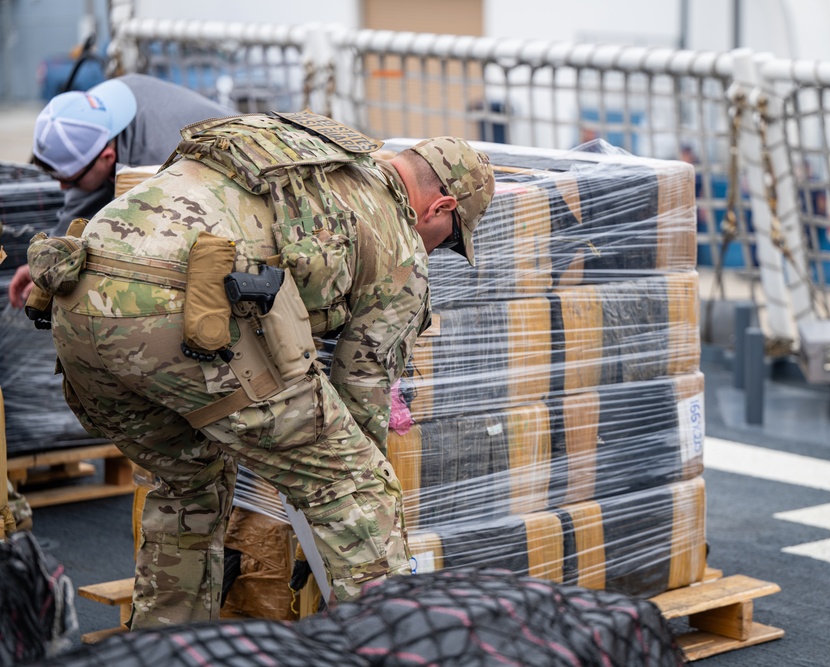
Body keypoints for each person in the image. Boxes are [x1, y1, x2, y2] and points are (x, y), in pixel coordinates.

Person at [27, 111, 494, 628]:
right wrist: (337, 481)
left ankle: (163, 649)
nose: (439, 250)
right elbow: (363, 392)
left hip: (72, 299)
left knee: (188, 485)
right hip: (173, 316)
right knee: (358, 488)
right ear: (441, 205)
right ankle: (388, 648)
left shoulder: (310, 158)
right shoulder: (399, 241)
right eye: (450, 238)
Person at [9, 74, 232, 308]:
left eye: (71, 181)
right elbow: (81, 202)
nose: (63, 188)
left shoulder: (163, 166)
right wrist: (49, 259)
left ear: (107, 158)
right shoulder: (93, 111)